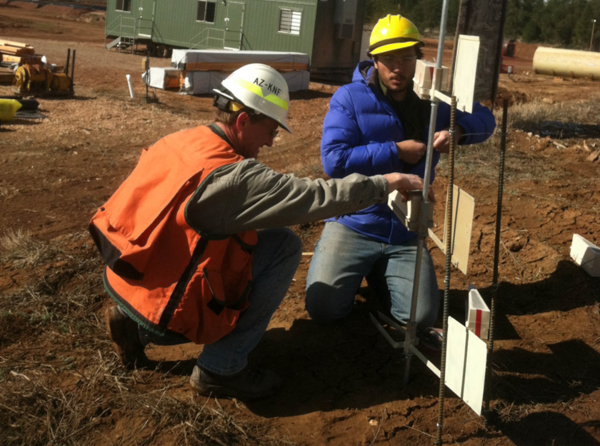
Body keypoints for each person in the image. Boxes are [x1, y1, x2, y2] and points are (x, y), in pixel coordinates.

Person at [90, 62, 426, 401]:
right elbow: (315, 197)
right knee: (285, 247)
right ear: (242, 121)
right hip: (167, 312)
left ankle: (130, 325)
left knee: (257, 240)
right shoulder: (235, 177)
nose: (270, 142)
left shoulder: (185, 140)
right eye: (271, 130)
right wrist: (384, 183)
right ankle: (222, 368)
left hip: (131, 284)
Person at [305, 16, 495, 347]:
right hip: (354, 222)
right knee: (324, 310)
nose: (398, 68)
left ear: (418, 59)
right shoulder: (350, 98)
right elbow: (334, 160)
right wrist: (394, 151)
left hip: (406, 229)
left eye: (407, 58)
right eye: (389, 59)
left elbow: (486, 119)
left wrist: (459, 131)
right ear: (374, 60)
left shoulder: (433, 96)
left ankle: (380, 272)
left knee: (419, 318)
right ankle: (357, 267)